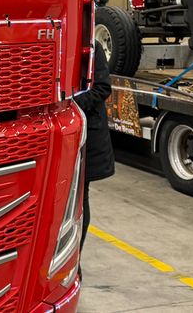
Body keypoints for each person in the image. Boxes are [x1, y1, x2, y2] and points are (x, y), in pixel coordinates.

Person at [75, 41, 115, 250]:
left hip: (87, 135)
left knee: (81, 198)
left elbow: (102, 88)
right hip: (67, 137)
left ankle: (76, 257)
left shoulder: (92, 47)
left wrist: (69, 104)